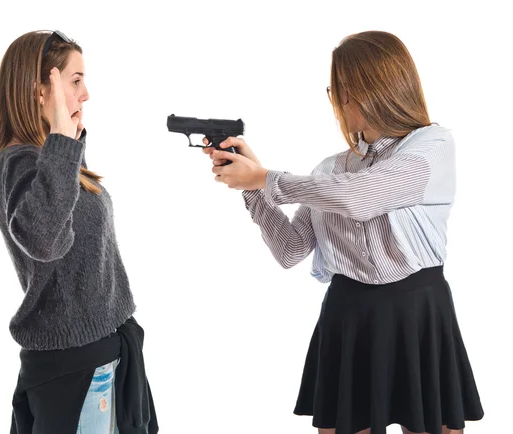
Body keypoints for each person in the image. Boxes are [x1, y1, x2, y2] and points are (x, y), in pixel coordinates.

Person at [203, 31, 483, 434]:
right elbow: (289, 249)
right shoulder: (330, 170)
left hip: (418, 311)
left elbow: (361, 197)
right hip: (349, 314)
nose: (334, 101)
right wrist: (251, 187)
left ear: (366, 92)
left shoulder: (432, 146)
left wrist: (266, 177)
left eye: (339, 90)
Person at [0, 30, 158, 434]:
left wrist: (66, 143)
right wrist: (63, 140)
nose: (85, 94)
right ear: (40, 90)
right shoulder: (17, 164)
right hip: (78, 373)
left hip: (102, 361)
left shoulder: (50, 157)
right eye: (75, 80)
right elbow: (47, 240)